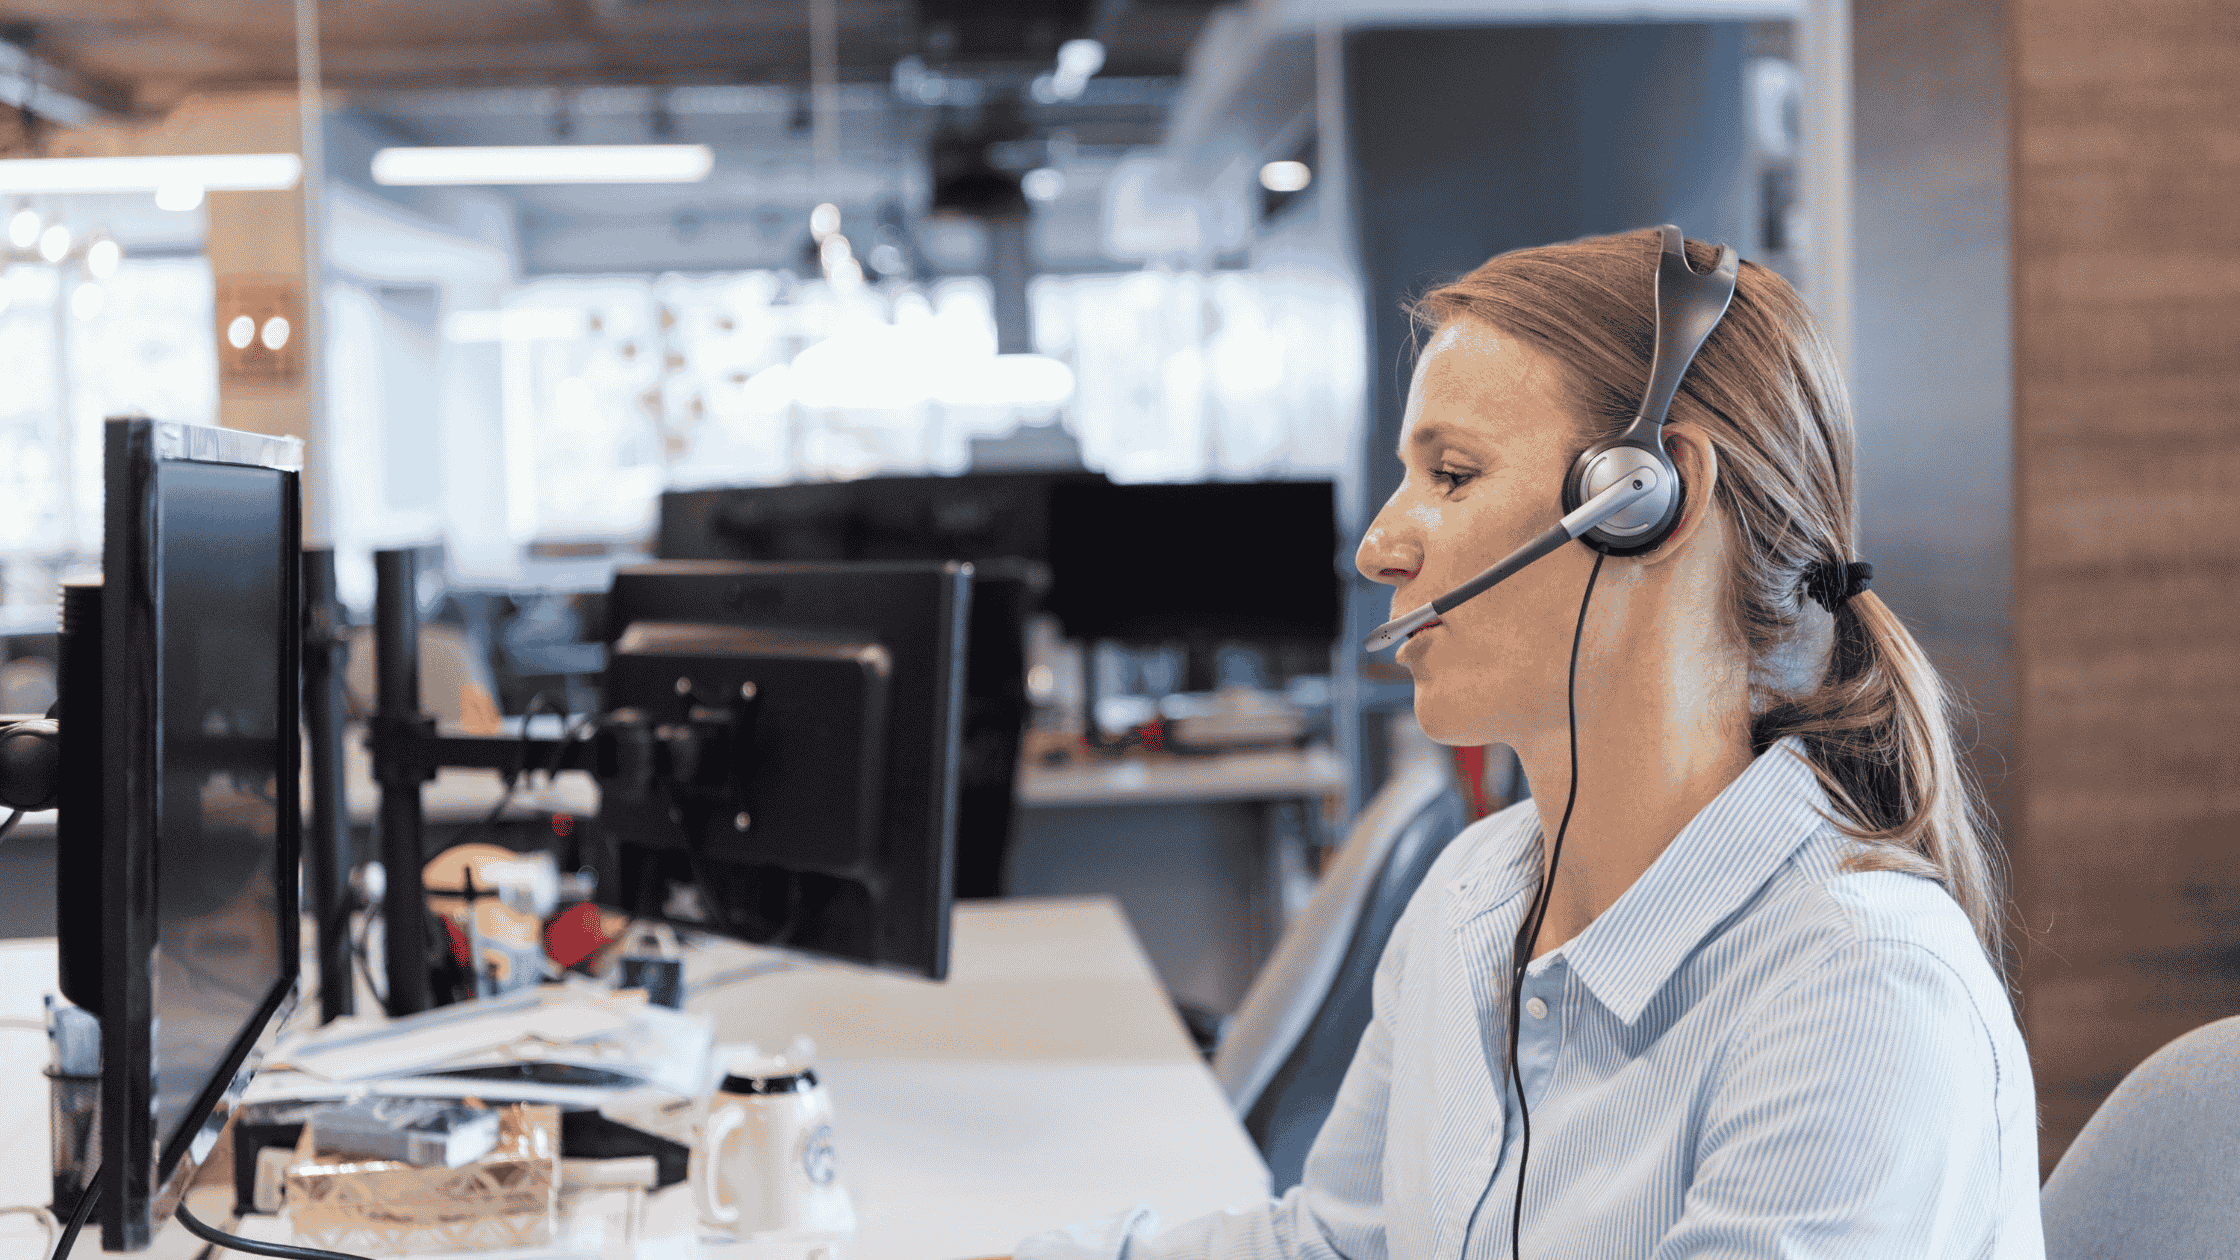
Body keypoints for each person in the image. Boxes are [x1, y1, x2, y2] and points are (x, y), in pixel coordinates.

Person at [1011, 228, 2042, 1259]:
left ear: (1644, 500)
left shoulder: (1854, 993)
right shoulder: (1471, 897)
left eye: (1450, 474)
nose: (1378, 546)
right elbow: (1332, 1247)